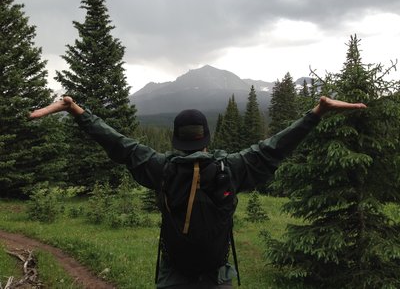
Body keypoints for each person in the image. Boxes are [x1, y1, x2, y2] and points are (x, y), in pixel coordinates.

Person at [30, 96, 366, 288]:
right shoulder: (232, 168)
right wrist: (316, 112)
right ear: (206, 138)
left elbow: (119, 144)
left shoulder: (160, 167)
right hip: (216, 276)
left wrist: (76, 110)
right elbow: (274, 147)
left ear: (177, 139)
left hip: (174, 275)